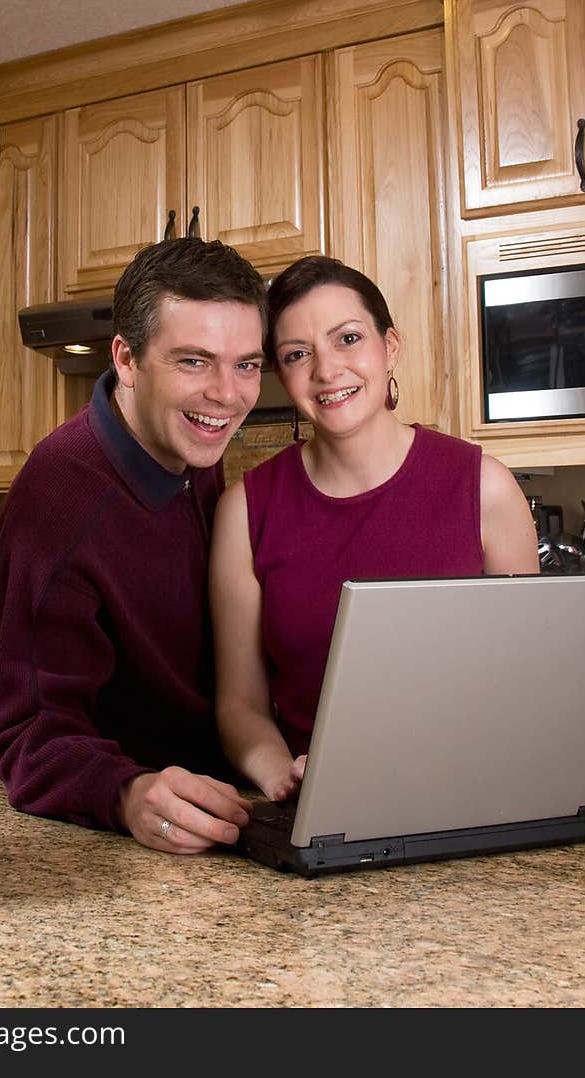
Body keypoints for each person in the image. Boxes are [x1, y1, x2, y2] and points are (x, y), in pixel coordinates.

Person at [0, 236, 268, 854]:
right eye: (194, 361)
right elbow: (19, 731)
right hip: (130, 845)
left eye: (246, 364)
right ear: (127, 360)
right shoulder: (59, 500)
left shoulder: (190, 447)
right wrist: (128, 791)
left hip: (224, 810)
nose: (228, 394)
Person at [210, 255, 540, 803]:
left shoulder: (485, 488)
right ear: (282, 374)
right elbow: (239, 705)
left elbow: (527, 683)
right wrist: (279, 773)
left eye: (348, 339)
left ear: (389, 347)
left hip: (470, 797)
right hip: (320, 810)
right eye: (297, 354)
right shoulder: (244, 510)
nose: (327, 370)